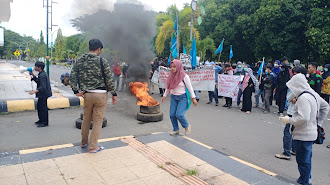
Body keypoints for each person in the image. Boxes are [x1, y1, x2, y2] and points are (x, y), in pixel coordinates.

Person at [279, 73, 329, 185]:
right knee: (306, 159)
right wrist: (318, 123)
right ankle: (305, 179)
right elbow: (325, 106)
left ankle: (305, 181)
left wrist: (289, 120)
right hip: (311, 132)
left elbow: (303, 118)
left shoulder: (303, 98)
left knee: (303, 161)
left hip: (303, 134)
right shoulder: (313, 94)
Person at [70, 39, 117, 153]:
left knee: (86, 119)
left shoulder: (80, 60)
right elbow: (109, 79)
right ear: (99, 49)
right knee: (97, 121)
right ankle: (93, 147)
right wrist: (114, 93)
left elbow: (73, 75)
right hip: (100, 95)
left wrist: (75, 90)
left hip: (87, 94)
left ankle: (83, 142)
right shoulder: (102, 61)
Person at [275, 67, 307, 160]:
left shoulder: (297, 86)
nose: (293, 75)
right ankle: (294, 149)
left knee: (288, 132)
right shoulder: (306, 85)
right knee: (295, 132)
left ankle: (286, 152)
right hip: (300, 112)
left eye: (295, 74)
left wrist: (296, 98)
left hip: (293, 112)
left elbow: (289, 98)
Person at [161, 59, 198, 136]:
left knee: (179, 114)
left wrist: (193, 98)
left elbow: (190, 87)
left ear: (178, 66)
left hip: (182, 98)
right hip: (173, 97)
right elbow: (168, 87)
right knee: (172, 114)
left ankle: (187, 126)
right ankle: (176, 129)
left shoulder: (184, 76)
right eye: (171, 67)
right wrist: (164, 95)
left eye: (174, 67)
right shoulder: (171, 75)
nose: (172, 68)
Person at [29, 62, 52, 127]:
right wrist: (33, 76)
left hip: (44, 94)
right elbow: (38, 82)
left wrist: (34, 91)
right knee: (39, 107)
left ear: (39, 68)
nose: (34, 67)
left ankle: (45, 122)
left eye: (36, 66)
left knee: (43, 108)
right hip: (42, 94)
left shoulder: (42, 75)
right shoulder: (41, 74)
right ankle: (41, 120)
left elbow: (43, 86)